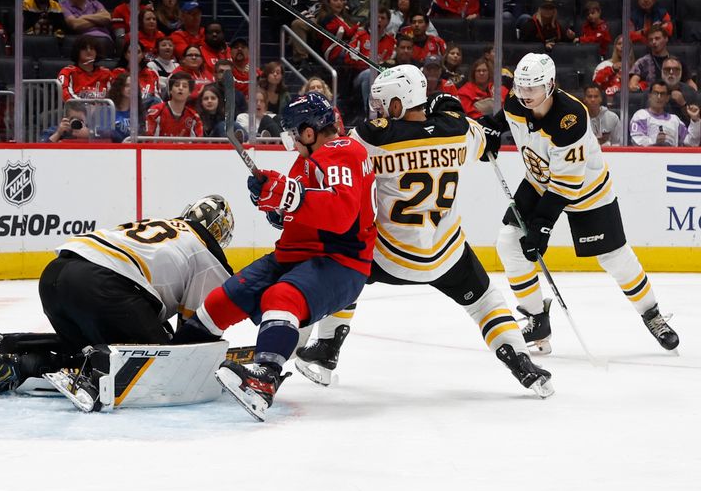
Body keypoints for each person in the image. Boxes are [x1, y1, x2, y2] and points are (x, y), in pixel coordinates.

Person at [295, 66, 554, 398]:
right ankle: (521, 362)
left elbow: (333, 150)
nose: (380, 110)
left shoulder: (372, 136)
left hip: (388, 256)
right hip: (446, 254)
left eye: (384, 103)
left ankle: (325, 347)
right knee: (487, 301)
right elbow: (486, 142)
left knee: (344, 268)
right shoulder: (457, 130)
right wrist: (450, 110)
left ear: (398, 105)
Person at [172, 92, 377, 421]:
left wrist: (290, 196)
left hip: (340, 262)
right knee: (223, 299)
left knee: (281, 296)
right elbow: (296, 204)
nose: (294, 144)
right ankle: (179, 355)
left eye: (295, 135)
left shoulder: (343, 151)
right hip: (295, 255)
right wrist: (275, 199)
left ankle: (264, 378)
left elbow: (341, 213)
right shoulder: (311, 158)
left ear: (309, 132)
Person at [485, 53, 680, 354]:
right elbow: (506, 117)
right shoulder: (517, 102)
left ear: (550, 85)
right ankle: (537, 318)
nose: (524, 95)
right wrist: (492, 128)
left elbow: (566, 185)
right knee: (509, 242)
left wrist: (542, 228)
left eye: (532, 88)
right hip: (539, 183)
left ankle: (652, 315)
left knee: (614, 257)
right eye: (520, 87)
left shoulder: (571, 118)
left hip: (587, 190)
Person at [0, 196, 235, 397]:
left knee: (85, 344)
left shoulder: (165, 226)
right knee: (158, 360)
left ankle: (17, 356)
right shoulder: (206, 251)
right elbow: (196, 329)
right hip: (101, 285)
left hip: (55, 275)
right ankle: (96, 370)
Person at [630, 80, 701, 147]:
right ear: (650, 96)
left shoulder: (675, 120)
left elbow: (691, 143)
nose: (659, 97)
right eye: (655, 93)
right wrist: (654, 141)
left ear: (667, 98)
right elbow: (636, 140)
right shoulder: (640, 115)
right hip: (648, 158)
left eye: (662, 94)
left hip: (672, 158)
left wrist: (695, 120)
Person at [629, 25, 697, 92]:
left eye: (657, 38)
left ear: (666, 39)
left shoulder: (677, 62)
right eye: (651, 39)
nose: (654, 42)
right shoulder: (643, 62)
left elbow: (692, 86)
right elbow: (632, 85)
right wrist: (642, 88)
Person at [144, 71, 203, 137]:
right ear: (170, 90)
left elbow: (198, 144)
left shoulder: (194, 117)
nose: (180, 88)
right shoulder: (156, 112)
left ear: (190, 92)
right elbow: (148, 140)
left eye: (185, 86)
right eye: (177, 85)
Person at [57, 35, 113, 100]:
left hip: (103, 109)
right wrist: (82, 108)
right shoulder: (67, 72)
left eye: (92, 48)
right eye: (84, 48)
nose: (89, 51)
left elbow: (115, 95)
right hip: (75, 109)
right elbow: (64, 93)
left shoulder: (106, 73)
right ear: (77, 52)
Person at [111, 40, 161, 105]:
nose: (134, 55)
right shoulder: (117, 73)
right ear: (125, 55)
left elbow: (157, 100)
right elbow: (114, 96)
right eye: (130, 52)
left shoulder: (151, 73)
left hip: (147, 111)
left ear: (143, 55)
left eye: (138, 52)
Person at [107, 72, 143, 142]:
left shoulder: (139, 111)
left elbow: (142, 134)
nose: (131, 89)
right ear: (119, 87)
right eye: (127, 85)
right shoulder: (108, 110)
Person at [661, 57, 697, 123]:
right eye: (667, 69)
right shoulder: (650, 92)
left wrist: (683, 104)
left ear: (681, 72)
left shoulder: (691, 92)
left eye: (676, 69)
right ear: (661, 71)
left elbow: (695, 121)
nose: (671, 72)